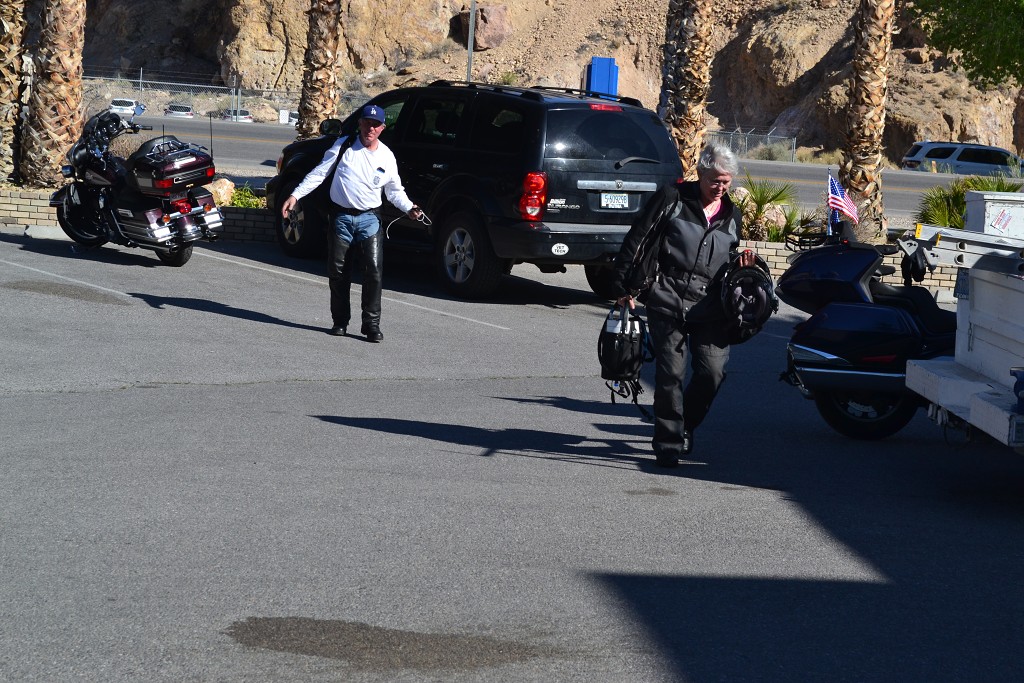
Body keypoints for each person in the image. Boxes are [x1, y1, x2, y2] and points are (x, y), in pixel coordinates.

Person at [612, 142, 756, 467]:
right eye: (714, 180)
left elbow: (729, 254)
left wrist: (743, 263)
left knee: (712, 373)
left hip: (711, 306)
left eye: (726, 181)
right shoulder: (673, 199)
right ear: (701, 173)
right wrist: (622, 285)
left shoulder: (732, 215)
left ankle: (686, 425)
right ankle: (669, 444)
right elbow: (638, 238)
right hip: (667, 297)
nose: (720, 187)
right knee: (670, 375)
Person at [281, 104, 422, 342]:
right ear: (360, 124)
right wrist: (295, 195)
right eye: (367, 123)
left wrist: (409, 208)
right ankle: (340, 321)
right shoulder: (343, 146)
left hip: (369, 219)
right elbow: (319, 173)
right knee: (338, 272)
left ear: (382, 128)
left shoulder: (386, 156)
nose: (370, 129)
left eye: (375, 125)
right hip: (341, 218)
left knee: (373, 271)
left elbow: (394, 191)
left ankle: (371, 325)